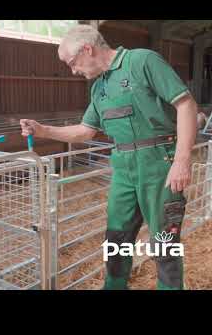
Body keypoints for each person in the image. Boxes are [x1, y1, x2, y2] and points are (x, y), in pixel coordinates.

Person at [20, 24, 198, 290]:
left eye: (72, 63)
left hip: (159, 163)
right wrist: (44, 130)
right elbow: (85, 131)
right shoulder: (99, 88)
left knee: (164, 242)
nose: (73, 71)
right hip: (123, 168)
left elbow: (185, 104)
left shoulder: (142, 61)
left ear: (87, 49)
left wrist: (181, 161)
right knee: (116, 239)